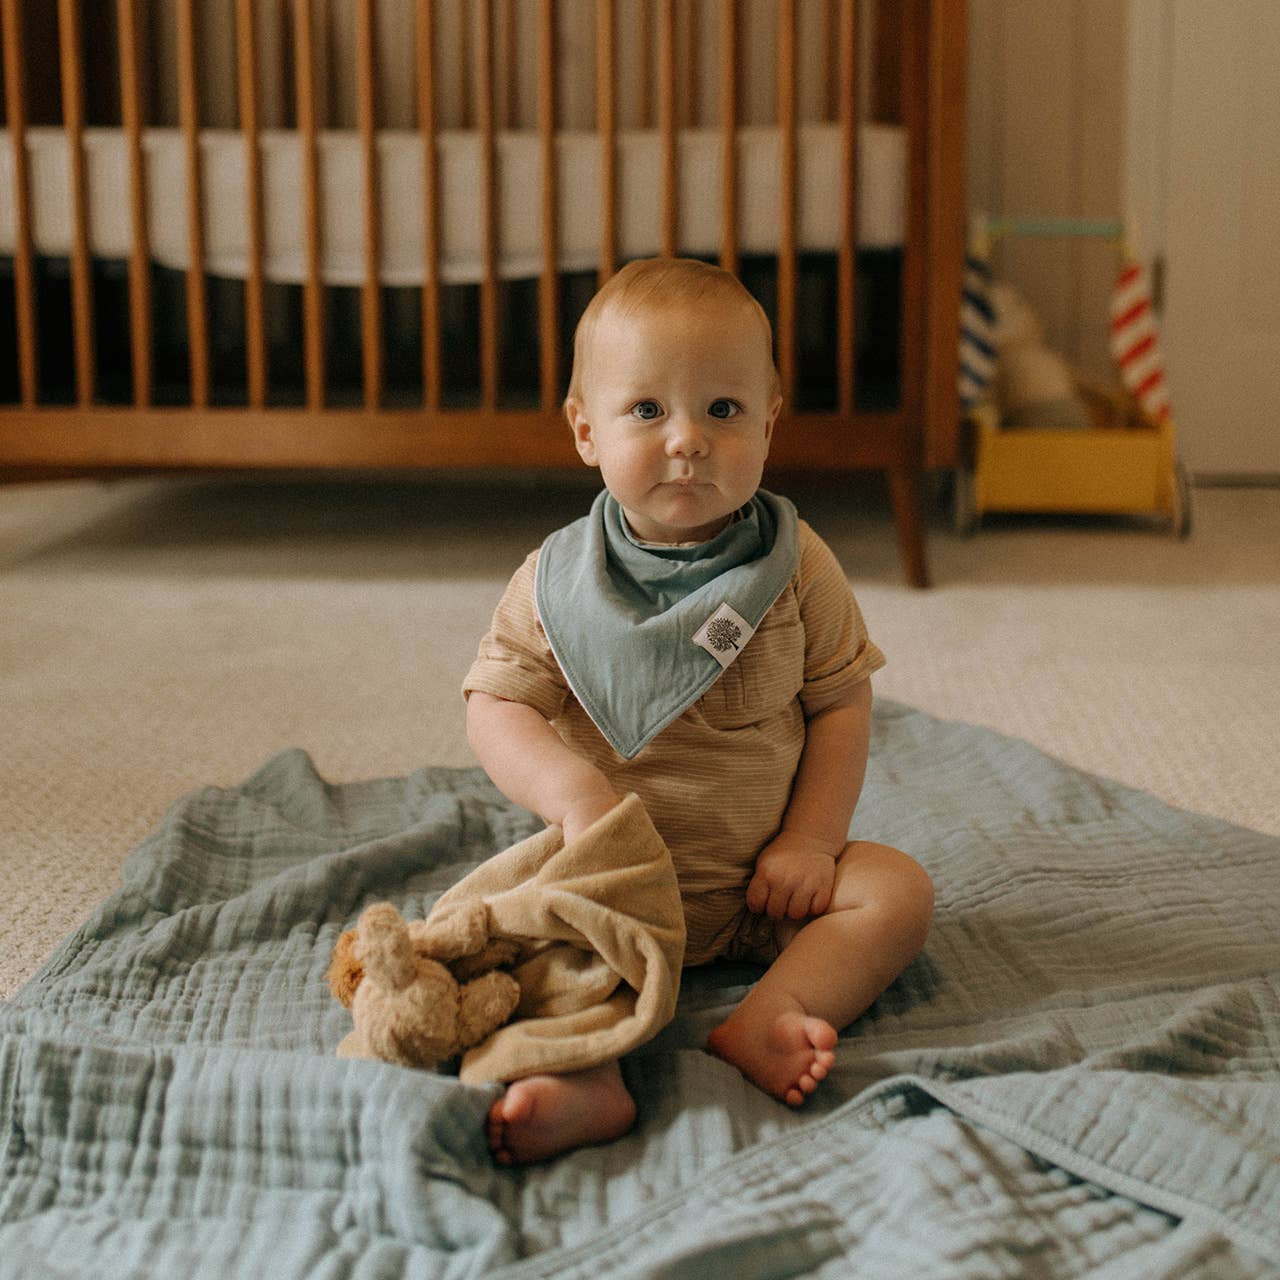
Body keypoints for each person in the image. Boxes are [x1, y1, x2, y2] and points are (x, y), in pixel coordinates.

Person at [463, 257, 933, 1165]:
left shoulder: (796, 568)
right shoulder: (556, 584)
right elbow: (496, 706)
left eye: (722, 410)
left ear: (769, 420)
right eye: (647, 411)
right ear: (584, 430)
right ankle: (588, 1082)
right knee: (533, 945)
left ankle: (775, 1011)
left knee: (895, 892)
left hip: (761, 886)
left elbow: (841, 705)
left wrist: (809, 841)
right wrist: (573, 797)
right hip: (614, 884)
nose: (688, 440)